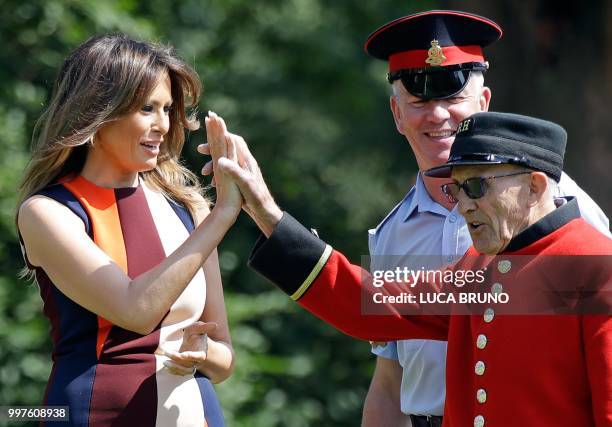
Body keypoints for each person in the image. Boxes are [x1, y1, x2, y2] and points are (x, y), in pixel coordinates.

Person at [205, 111, 612, 426]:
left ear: (536, 187)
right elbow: (370, 301)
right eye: (456, 187)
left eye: (477, 186)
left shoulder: (595, 266)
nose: (463, 203)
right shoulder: (482, 265)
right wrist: (265, 212)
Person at [359, 10, 610, 427]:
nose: (438, 116)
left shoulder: (562, 205)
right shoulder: (390, 233)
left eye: (454, 99)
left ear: (484, 103)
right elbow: (389, 378)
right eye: (419, 101)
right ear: (396, 114)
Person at [16, 34, 241, 427]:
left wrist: (202, 353)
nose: (162, 124)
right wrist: (223, 215)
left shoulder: (190, 208)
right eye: (146, 108)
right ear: (98, 113)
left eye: (168, 109)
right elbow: (135, 310)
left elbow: (224, 358)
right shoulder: (48, 212)